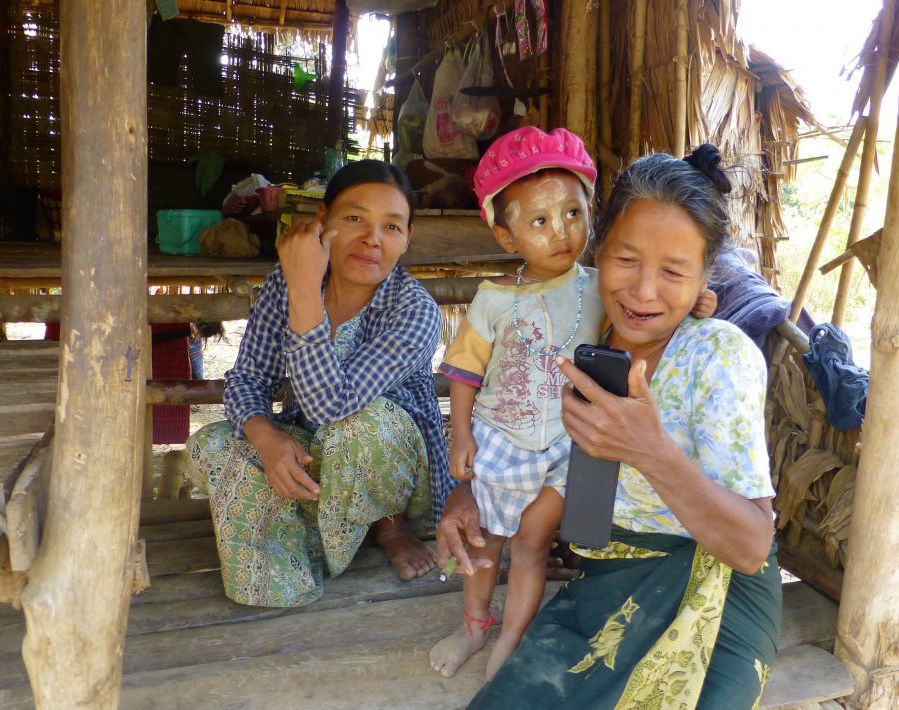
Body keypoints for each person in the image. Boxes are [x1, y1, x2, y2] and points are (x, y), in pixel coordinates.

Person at [437, 145, 781, 709]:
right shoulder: (581, 328)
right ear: (600, 252)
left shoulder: (718, 355)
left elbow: (750, 547)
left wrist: (651, 451)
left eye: (674, 272)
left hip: (716, 585)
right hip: (604, 580)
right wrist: (468, 489)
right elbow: (507, 410)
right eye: (626, 261)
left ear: (703, 280)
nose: (644, 291)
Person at [185, 160, 454, 607]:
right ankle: (298, 542)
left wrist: (305, 290)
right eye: (354, 219)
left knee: (363, 424)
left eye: (392, 226)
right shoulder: (282, 283)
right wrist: (268, 438)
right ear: (322, 222)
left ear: (407, 240)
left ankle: (389, 528)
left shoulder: (414, 310)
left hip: (393, 469)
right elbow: (249, 377)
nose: (372, 238)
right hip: (317, 457)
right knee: (211, 445)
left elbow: (334, 406)